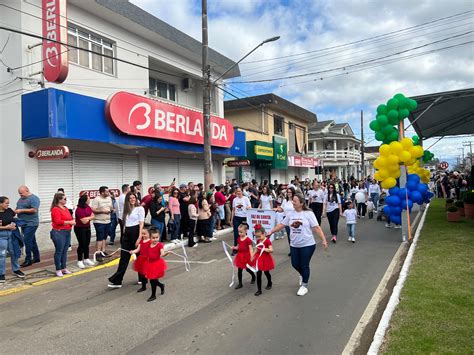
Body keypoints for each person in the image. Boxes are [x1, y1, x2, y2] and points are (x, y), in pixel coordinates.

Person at [268, 194, 328, 296]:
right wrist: (271, 232)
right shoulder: (291, 214)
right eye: (293, 201)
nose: (293, 202)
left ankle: (304, 285)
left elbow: (316, 227)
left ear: (301, 203)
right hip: (294, 244)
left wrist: (324, 240)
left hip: (308, 245)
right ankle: (303, 275)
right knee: (295, 264)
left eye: (295, 201)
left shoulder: (308, 214)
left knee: (304, 265)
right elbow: (282, 224)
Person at [108, 192, 145, 288]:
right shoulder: (125, 210)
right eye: (130, 198)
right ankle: (117, 281)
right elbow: (124, 224)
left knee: (139, 257)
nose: (132, 199)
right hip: (127, 233)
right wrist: (123, 234)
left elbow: (141, 224)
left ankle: (142, 278)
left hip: (136, 232)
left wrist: (139, 237)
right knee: (124, 257)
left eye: (134, 197)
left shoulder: (140, 208)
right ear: (127, 200)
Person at [0, 196, 24, 283]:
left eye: (8, 203)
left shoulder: (9, 210)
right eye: (6, 203)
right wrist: (5, 227)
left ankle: (16, 269)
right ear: (0, 204)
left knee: (14, 252)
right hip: (1, 236)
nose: (8, 204)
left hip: (11, 235)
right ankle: (1, 274)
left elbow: (13, 219)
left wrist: (13, 225)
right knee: (2, 255)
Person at [50, 192, 75, 277]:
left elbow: (70, 217)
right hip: (59, 232)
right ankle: (58, 269)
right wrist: (69, 222)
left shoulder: (65, 208)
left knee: (65, 251)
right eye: (64, 199)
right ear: (59, 200)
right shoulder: (55, 209)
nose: (66, 200)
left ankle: (63, 267)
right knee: (59, 251)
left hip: (67, 231)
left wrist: (72, 222)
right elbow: (57, 221)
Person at [15, 185, 41, 267]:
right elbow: (18, 208)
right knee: (32, 240)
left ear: (27, 190)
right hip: (23, 223)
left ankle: (28, 259)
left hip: (31, 223)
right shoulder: (20, 199)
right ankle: (36, 257)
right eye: (19, 194)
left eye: (22, 193)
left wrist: (21, 210)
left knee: (27, 240)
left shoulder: (34, 198)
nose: (20, 195)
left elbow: (34, 210)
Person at [143, 228, 168, 302]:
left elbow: (162, 253)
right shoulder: (149, 244)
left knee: (152, 280)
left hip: (157, 264)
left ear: (159, 237)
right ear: (150, 238)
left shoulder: (159, 245)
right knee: (154, 280)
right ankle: (161, 285)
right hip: (150, 264)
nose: (155, 239)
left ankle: (153, 295)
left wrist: (166, 253)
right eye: (153, 238)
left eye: (157, 237)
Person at [249, 225, 274, 297]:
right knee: (258, 274)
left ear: (264, 234)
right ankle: (259, 290)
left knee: (266, 272)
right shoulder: (258, 240)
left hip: (266, 258)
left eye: (259, 236)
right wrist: (252, 256)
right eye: (256, 237)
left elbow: (271, 250)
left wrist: (265, 249)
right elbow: (256, 249)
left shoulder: (267, 241)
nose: (258, 238)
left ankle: (269, 282)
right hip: (258, 258)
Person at [90, 186, 113, 262]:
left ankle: (103, 251)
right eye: (106, 191)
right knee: (99, 237)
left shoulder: (109, 198)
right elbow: (93, 209)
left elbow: (110, 207)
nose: (108, 193)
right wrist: (102, 211)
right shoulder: (97, 199)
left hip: (108, 220)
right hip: (99, 221)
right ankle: (98, 253)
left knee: (104, 237)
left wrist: (112, 209)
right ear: (102, 192)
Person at [74, 194, 95, 269]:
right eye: (88, 199)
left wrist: (88, 218)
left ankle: (86, 258)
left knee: (87, 243)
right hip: (80, 228)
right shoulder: (79, 209)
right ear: (85, 200)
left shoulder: (88, 207)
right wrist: (90, 218)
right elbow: (83, 221)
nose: (89, 200)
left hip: (87, 228)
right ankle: (79, 260)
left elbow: (93, 216)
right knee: (82, 244)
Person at [231, 223, 255, 289]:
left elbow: (250, 248)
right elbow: (238, 247)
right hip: (240, 256)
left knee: (248, 269)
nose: (240, 233)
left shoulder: (248, 240)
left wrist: (252, 256)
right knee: (240, 270)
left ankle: (253, 276)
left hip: (246, 256)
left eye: (241, 232)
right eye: (239, 232)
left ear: (246, 231)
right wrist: (234, 247)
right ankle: (240, 283)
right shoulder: (238, 239)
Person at [275, 187, 295, 255]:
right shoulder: (284, 201)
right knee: (289, 235)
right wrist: (277, 209)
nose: (289, 194)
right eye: (288, 192)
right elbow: (282, 209)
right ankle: (291, 250)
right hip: (286, 220)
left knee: (294, 236)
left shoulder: (295, 200)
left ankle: (295, 249)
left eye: (290, 192)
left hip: (294, 220)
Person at [131, 227, 152, 292]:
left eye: (145, 234)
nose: (143, 235)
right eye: (142, 234)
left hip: (148, 259)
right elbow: (138, 249)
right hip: (142, 259)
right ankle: (143, 286)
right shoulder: (141, 241)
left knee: (150, 273)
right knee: (142, 273)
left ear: (149, 234)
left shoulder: (151, 242)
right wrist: (133, 251)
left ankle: (159, 284)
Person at [231, 187, 251, 255]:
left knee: (244, 233)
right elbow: (233, 210)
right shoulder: (234, 200)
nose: (238, 192)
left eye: (239, 191)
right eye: (237, 191)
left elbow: (250, 207)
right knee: (236, 233)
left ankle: (246, 247)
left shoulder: (246, 199)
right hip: (236, 217)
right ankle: (236, 248)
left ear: (242, 192)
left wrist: (248, 208)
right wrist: (231, 219)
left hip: (244, 218)